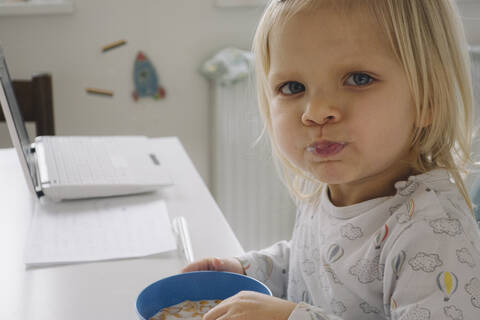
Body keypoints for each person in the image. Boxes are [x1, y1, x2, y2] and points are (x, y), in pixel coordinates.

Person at [183, 0, 480, 319]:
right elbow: (309, 265)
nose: (315, 112)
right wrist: (247, 271)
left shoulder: (434, 231)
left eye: (358, 79)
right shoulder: (327, 194)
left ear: (427, 99)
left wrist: (291, 317)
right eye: (293, 87)